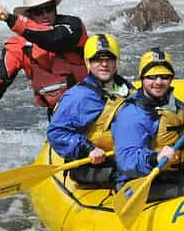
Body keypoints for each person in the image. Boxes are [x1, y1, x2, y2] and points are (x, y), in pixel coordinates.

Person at [112, 48, 184, 202]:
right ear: (142, 78)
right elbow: (126, 159)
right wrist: (154, 158)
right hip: (137, 183)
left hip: (168, 174)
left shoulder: (174, 105)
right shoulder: (132, 114)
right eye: (152, 77)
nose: (158, 82)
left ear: (171, 78)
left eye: (164, 77)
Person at [46, 34, 134, 188]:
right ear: (88, 63)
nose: (104, 64)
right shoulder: (79, 97)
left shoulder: (126, 88)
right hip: (94, 165)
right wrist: (88, 149)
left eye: (109, 59)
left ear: (116, 61)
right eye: (97, 59)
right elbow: (57, 133)